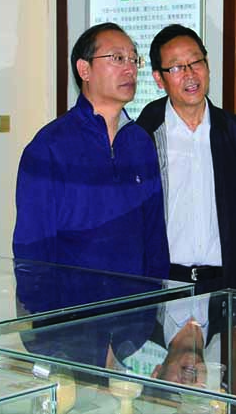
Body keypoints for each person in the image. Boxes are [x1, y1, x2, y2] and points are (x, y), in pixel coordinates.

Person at [13, 22, 169, 278]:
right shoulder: (50, 146)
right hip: (74, 302)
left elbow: (155, 238)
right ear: (84, 69)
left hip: (137, 301)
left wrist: (158, 295)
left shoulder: (140, 142)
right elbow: (33, 249)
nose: (130, 68)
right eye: (117, 58)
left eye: (133, 59)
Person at [137, 24, 236, 292]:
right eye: (177, 67)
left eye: (196, 62)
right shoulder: (144, 133)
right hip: (162, 283)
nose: (190, 74)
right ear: (159, 78)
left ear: (207, 63)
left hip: (223, 285)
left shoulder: (235, 131)